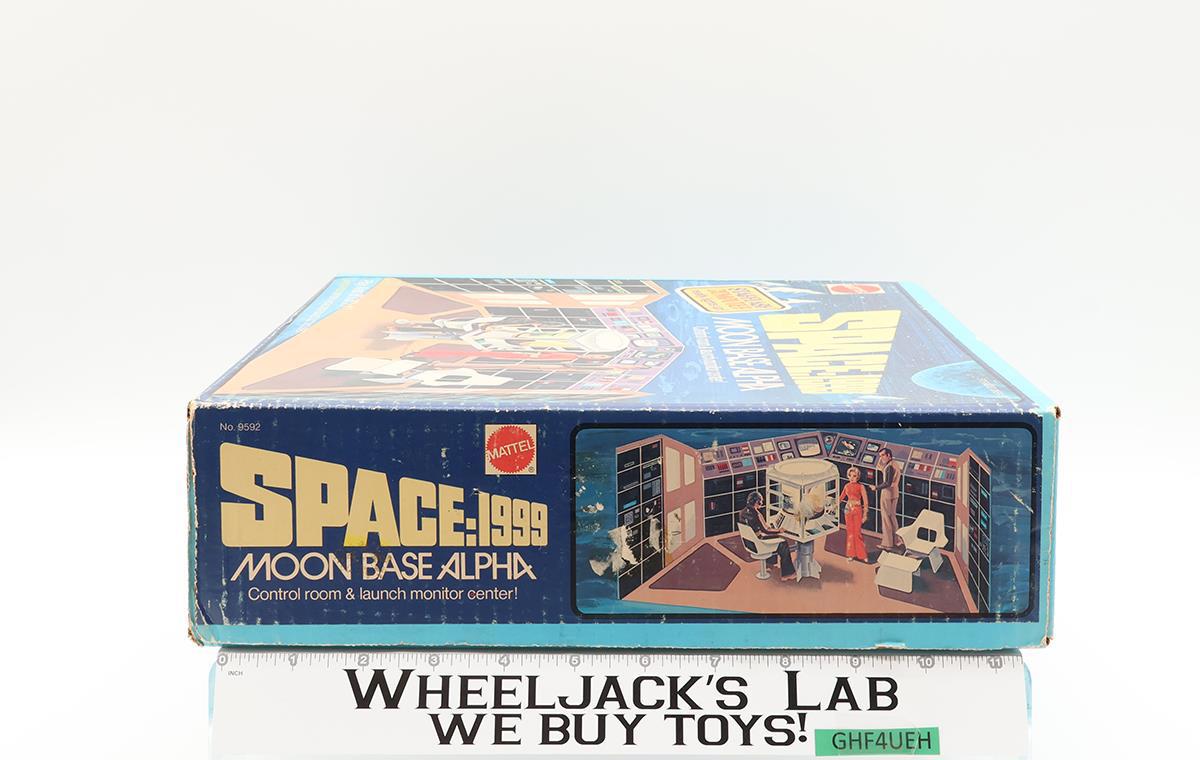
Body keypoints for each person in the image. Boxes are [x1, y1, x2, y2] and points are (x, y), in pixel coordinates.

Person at [737, 491, 796, 579]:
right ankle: (788, 573)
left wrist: (768, 528)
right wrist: (779, 530)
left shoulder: (742, 512)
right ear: (757, 502)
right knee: (783, 543)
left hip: (750, 543)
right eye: (761, 501)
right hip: (759, 542)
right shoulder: (756, 514)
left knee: (775, 538)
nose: (762, 503)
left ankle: (770, 564)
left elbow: (756, 526)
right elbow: (766, 530)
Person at [870, 448, 902, 551]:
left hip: (887, 494)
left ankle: (887, 544)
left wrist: (876, 488)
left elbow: (887, 483)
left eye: (883, 455)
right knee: (892, 517)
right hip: (895, 493)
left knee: (886, 519)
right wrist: (882, 461)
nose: (881, 458)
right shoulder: (894, 464)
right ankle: (897, 540)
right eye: (880, 456)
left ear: (888, 455)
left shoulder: (889, 467)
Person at [839, 466, 870, 562]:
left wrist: (865, 514)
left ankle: (862, 555)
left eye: (854, 476)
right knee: (850, 533)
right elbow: (840, 498)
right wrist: (833, 505)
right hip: (848, 510)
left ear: (858, 477)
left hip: (857, 510)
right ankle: (851, 554)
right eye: (850, 475)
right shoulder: (846, 486)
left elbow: (865, 502)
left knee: (857, 533)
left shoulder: (861, 487)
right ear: (848, 476)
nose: (852, 478)